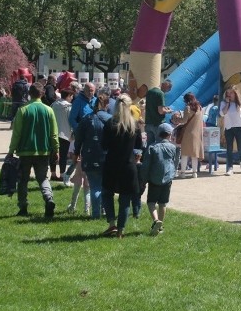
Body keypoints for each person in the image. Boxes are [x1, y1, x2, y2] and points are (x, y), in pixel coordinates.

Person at [8, 82, 59, 219]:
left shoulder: (23, 110)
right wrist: (56, 149)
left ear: (29, 94)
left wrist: (11, 150)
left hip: (25, 150)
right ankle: (49, 199)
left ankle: (23, 207)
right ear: (42, 94)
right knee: (42, 178)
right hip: (43, 151)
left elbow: (16, 133)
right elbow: (54, 133)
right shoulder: (49, 110)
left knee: (23, 180)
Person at [100, 94, 143, 238]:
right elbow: (139, 146)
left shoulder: (110, 124)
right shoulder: (134, 126)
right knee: (125, 199)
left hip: (112, 163)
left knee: (107, 193)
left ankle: (111, 223)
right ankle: (121, 230)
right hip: (128, 165)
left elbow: (103, 145)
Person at [73, 92, 111, 219]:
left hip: (89, 156)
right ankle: (104, 210)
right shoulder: (110, 119)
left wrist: (76, 153)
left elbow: (78, 139)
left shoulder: (86, 119)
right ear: (107, 104)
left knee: (94, 186)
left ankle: (95, 214)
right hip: (107, 158)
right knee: (105, 187)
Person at [139, 122, 177, 236]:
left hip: (154, 178)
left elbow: (146, 166)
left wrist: (143, 180)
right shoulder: (173, 147)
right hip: (167, 178)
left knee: (151, 202)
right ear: (170, 135)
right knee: (163, 203)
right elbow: (174, 161)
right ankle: (160, 225)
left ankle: (156, 221)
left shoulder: (152, 147)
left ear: (158, 134)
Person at [219, 85, 241, 176]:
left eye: (231, 93)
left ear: (235, 93)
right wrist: (227, 103)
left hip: (239, 127)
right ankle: (230, 168)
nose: (229, 95)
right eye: (227, 93)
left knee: (240, 148)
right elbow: (222, 113)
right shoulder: (223, 103)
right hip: (228, 128)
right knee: (229, 148)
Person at [177, 92, 204, 178]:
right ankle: (194, 173)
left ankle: (183, 173)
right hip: (197, 133)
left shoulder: (187, 108)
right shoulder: (200, 107)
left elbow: (184, 121)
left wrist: (178, 119)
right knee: (194, 154)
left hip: (188, 133)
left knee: (185, 154)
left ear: (186, 100)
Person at [51, 89, 74, 182]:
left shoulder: (53, 105)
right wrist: (72, 132)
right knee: (63, 156)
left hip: (53, 133)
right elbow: (71, 120)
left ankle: (53, 173)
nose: (72, 98)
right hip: (65, 134)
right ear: (68, 96)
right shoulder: (69, 107)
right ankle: (62, 174)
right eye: (71, 96)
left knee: (52, 154)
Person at [145, 79, 173, 143]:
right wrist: (169, 111)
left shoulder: (149, 92)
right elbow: (160, 111)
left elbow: (153, 106)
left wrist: (164, 108)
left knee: (149, 144)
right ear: (166, 85)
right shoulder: (160, 93)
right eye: (169, 88)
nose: (169, 90)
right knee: (159, 144)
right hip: (157, 124)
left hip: (148, 122)